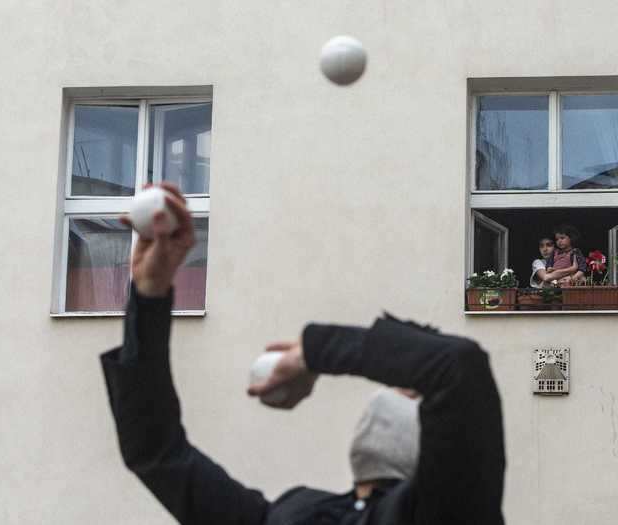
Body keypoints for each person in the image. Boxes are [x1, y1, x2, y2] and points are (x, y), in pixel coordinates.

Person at [101, 182, 506, 524]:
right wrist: (150, 295)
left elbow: (458, 369)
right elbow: (155, 450)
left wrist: (312, 353)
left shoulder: (450, 509)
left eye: (412, 392)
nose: (394, 390)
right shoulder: (292, 515)